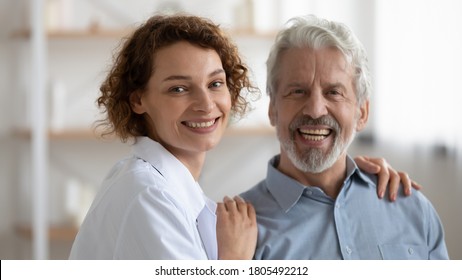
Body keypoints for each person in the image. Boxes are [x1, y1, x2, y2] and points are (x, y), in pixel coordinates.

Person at [69, 13, 421, 260]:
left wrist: (348, 176)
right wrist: (235, 261)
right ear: (138, 99)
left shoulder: (407, 205)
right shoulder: (148, 195)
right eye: (178, 88)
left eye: (215, 83)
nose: (206, 104)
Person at [241, 15, 449, 260]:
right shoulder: (237, 233)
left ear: (362, 113)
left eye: (334, 92)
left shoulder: (413, 208)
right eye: (298, 91)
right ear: (272, 109)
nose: (316, 109)